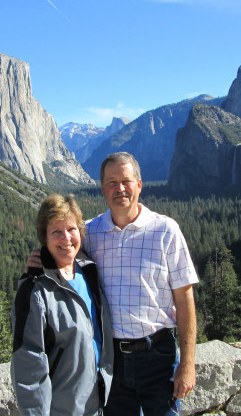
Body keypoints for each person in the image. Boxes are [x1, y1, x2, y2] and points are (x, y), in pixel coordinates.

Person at [27, 152, 199, 416]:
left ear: (139, 185)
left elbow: (185, 300)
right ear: (102, 188)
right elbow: (64, 247)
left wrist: (187, 364)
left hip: (159, 357)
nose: (119, 188)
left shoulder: (166, 230)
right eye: (111, 182)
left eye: (126, 181)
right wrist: (41, 260)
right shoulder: (90, 233)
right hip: (110, 361)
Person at [11, 194, 113, 416]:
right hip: (63, 409)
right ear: (44, 238)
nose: (66, 238)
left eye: (71, 229)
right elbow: (28, 366)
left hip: (99, 405)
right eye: (56, 232)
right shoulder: (35, 289)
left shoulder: (89, 271)